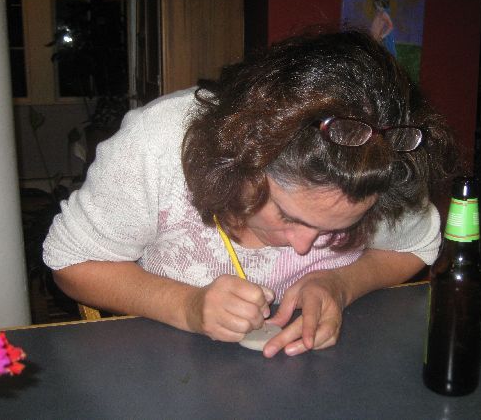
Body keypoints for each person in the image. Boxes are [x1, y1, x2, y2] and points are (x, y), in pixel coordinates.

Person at [43, 30, 459, 358]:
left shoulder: (382, 162)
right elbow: (72, 262)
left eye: (339, 227)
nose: (303, 247)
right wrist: (187, 307)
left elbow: (414, 248)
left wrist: (340, 284)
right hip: (169, 362)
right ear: (239, 162)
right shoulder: (156, 144)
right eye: (290, 216)